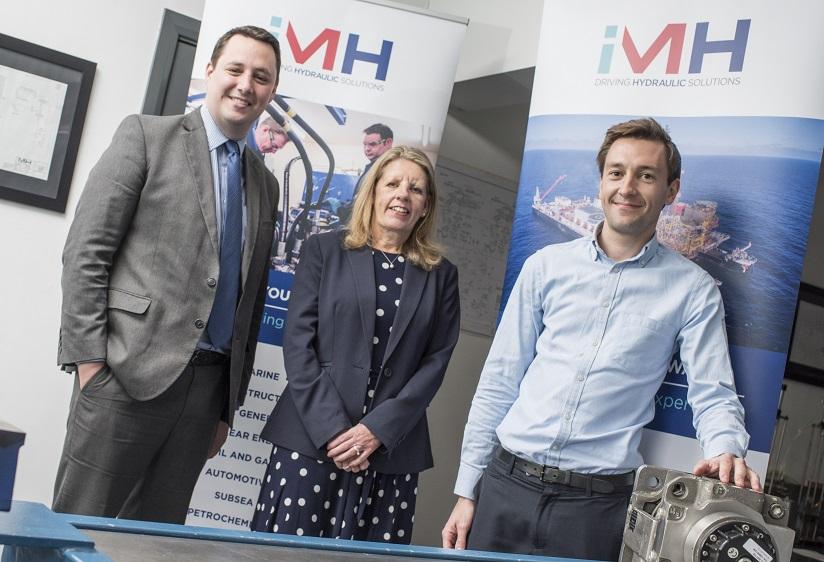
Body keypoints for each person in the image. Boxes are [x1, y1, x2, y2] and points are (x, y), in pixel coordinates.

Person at [442, 118, 759, 560]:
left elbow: (713, 391)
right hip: (504, 487)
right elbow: (499, 380)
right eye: (616, 172)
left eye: (646, 175)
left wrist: (727, 448)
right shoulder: (544, 266)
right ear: (601, 181)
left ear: (671, 191)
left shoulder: (694, 289)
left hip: (596, 510)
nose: (627, 187)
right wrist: (466, 491)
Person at [53, 25, 281, 523]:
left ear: (272, 91)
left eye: (261, 77)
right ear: (211, 71)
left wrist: (227, 407)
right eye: (236, 69)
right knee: (73, 531)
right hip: (125, 376)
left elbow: (253, 298)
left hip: (205, 395)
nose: (246, 84)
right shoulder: (146, 137)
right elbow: (86, 253)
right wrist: (90, 364)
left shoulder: (265, 185)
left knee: (152, 543)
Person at [252, 146, 461, 543]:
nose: (403, 194)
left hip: (390, 452)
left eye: (416, 189)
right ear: (374, 191)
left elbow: (436, 362)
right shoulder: (324, 250)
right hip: (312, 441)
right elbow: (298, 344)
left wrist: (376, 431)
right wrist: (334, 431)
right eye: (393, 183)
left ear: (425, 205)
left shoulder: (441, 276)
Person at [338, 123, 394, 224]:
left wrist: (342, 211)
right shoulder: (372, 167)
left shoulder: (389, 169)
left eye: (372, 144)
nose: (367, 149)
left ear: (388, 142)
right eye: (365, 144)